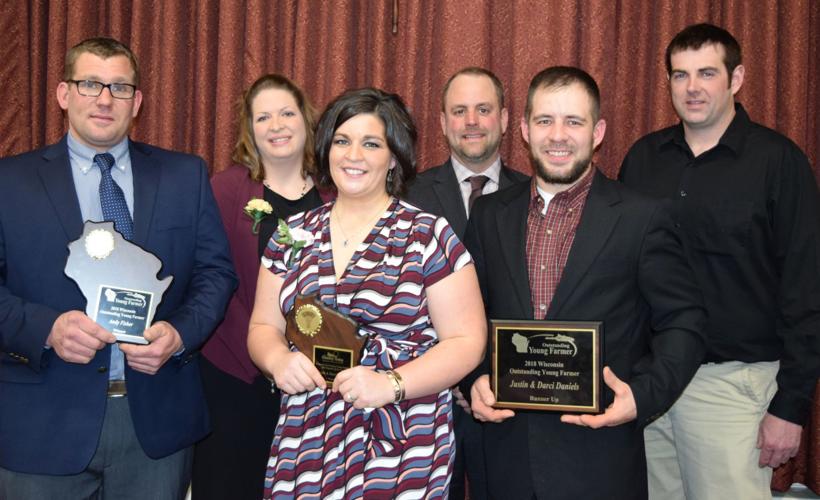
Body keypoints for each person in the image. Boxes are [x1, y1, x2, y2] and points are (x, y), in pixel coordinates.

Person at [0, 37, 236, 499]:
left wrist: (181, 334)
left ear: (138, 101)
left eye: (120, 87)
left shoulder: (184, 175)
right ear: (64, 94)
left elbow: (216, 274)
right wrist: (46, 328)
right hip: (41, 423)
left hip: (153, 420)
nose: (105, 99)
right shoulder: (9, 181)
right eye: (90, 84)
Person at [464, 66, 707, 499]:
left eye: (573, 121)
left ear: (597, 132)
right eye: (545, 121)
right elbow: (467, 318)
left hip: (599, 459)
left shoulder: (642, 217)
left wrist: (642, 396)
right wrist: (474, 381)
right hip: (506, 457)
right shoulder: (488, 215)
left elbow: (684, 321)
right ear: (523, 129)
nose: (558, 135)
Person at [248, 87, 486, 499]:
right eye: (342, 141)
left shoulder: (428, 235)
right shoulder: (292, 235)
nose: (352, 155)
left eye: (371, 143)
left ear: (393, 156)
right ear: (326, 149)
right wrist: (276, 360)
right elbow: (262, 325)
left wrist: (390, 384)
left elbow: (468, 342)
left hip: (401, 435)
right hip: (306, 435)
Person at [619, 23, 820, 500]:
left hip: (732, 387)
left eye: (707, 73)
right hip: (650, 383)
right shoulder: (643, 159)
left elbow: (806, 288)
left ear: (736, 78)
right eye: (680, 75)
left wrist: (791, 405)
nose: (692, 87)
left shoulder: (779, 162)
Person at [193, 74, 327, 499]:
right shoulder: (225, 189)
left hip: (316, 383)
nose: (277, 125)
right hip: (235, 378)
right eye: (263, 116)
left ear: (306, 122)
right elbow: (206, 276)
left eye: (287, 113)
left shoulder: (336, 192)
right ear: (250, 129)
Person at [406, 66, 528, 500]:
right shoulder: (407, 196)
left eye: (483, 109)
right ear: (442, 122)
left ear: (506, 118)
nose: (471, 121)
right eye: (459, 111)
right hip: (426, 399)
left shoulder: (536, 196)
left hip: (510, 397)